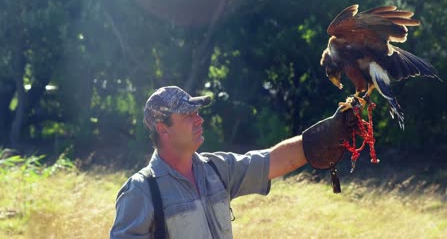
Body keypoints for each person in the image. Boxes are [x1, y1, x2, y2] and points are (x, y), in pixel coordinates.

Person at [110, 86, 356, 239]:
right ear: (163, 129)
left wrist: (326, 134)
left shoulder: (217, 169)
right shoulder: (141, 192)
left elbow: (273, 160)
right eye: (188, 115)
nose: (200, 120)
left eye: (197, 113)